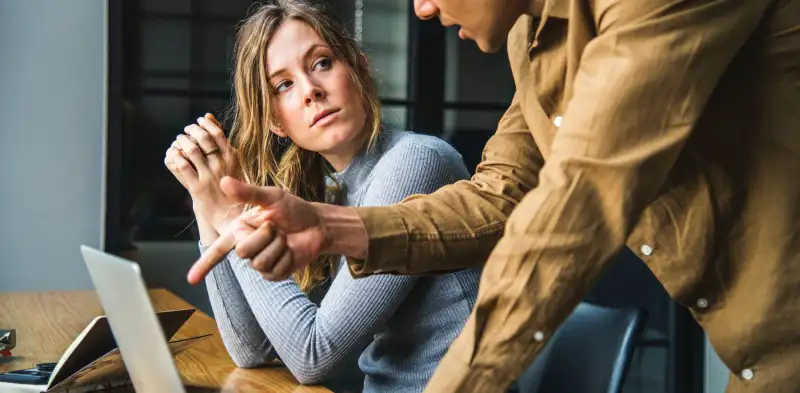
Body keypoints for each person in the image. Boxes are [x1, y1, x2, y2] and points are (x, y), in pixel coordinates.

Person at [190, 0, 800, 392]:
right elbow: (500, 195)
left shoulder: (647, 5)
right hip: (757, 358)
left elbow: (578, 203)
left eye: (321, 63)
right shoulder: (530, 42)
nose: (423, 9)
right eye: (284, 86)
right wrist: (331, 226)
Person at [164, 1, 484, 392]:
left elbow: (312, 356)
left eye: (321, 63)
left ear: (360, 68)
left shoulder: (417, 161)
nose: (311, 91)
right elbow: (253, 350)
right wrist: (205, 199)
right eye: (284, 85)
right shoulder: (333, 190)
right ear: (276, 121)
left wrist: (231, 214)